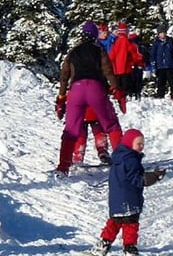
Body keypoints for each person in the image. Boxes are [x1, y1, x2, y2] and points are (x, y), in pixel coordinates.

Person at [54, 21, 126, 177]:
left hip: (76, 90)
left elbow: (64, 76)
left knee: (70, 130)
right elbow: (108, 71)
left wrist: (61, 98)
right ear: (94, 35)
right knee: (111, 124)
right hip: (95, 88)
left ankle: (63, 167)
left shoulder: (73, 52)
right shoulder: (98, 50)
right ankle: (123, 162)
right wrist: (116, 90)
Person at [90, 129, 166, 256]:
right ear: (130, 143)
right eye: (138, 144)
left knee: (115, 221)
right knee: (130, 224)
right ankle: (130, 249)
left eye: (143, 144)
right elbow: (136, 179)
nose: (141, 146)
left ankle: (104, 244)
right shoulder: (131, 160)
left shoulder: (119, 157)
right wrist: (153, 177)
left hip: (116, 198)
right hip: (129, 198)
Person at [109, 22, 143, 93]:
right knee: (127, 87)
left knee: (119, 87)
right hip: (126, 68)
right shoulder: (128, 42)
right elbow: (134, 54)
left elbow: (111, 56)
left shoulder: (115, 41)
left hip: (117, 69)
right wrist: (140, 60)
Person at [150, 25, 173, 100]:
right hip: (160, 66)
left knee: (172, 82)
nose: (163, 34)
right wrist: (153, 63)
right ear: (158, 34)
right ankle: (160, 96)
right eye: (161, 33)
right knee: (161, 82)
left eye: (164, 32)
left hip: (169, 65)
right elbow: (153, 54)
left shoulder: (170, 41)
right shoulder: (156, 43)